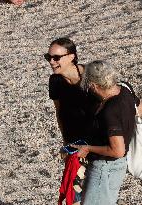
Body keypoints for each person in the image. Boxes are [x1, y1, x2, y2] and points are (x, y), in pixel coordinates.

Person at [71, 60, 141, 205]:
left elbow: (118, 150)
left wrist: (88, 148)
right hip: (116, 168)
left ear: (93, 86)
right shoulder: (125, 89)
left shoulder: (109, 111)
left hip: (105, 168)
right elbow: (139, 109)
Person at [44, 37, 96, 205]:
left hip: (97, 143)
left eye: (56, 58)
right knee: (74, 194)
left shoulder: (91, 76)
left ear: (72, 56)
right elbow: (59, 112)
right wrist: (66, 141)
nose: (51, 62)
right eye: (48, 57)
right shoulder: (55, 81)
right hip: (75, 144)